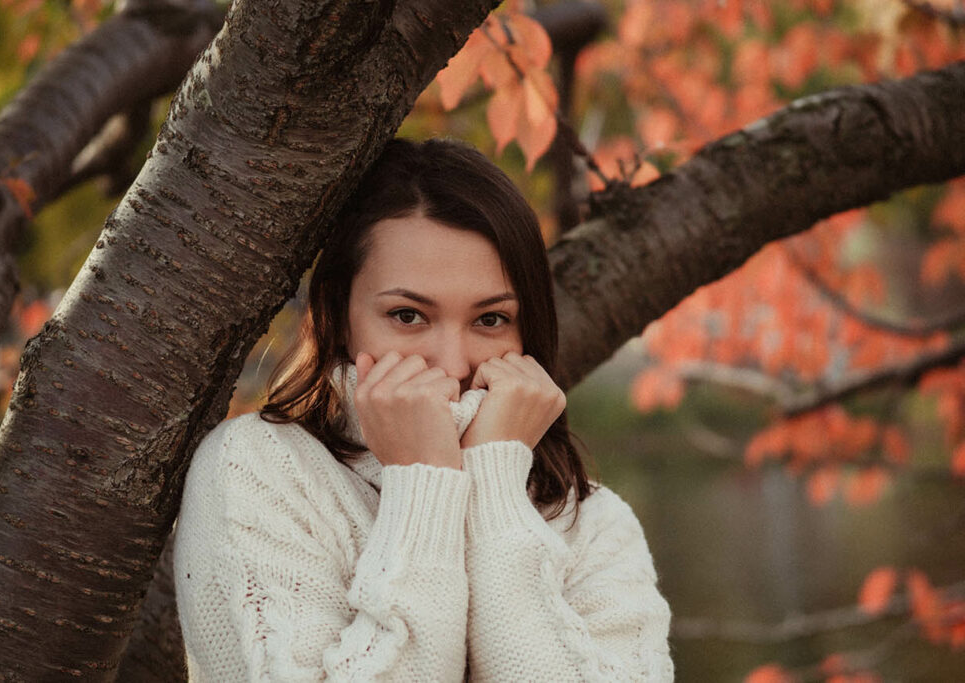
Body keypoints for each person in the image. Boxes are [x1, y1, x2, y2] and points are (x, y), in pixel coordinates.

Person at [173, 138, 673, 681]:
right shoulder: (257, 471)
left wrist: (493, 485)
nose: (453, 363)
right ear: (340, 315)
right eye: (408, 315)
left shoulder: (591, 523)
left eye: (490, 320)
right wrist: (424, 483)